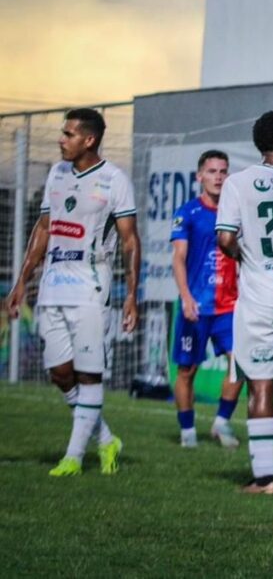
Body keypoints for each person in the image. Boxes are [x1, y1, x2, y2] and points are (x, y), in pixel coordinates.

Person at [5, 108, 138, 476]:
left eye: (68, 134)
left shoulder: (114, 179)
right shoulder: (57, 173)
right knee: (60, 373)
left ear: (89, 140)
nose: (62, 140)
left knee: (89, 373)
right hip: (52, 286)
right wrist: (22, 281)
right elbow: (44, 229)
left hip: (92, 286)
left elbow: (130, 241)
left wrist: (130, 295)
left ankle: (74, 458)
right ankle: (106, 437)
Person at [215, 110, 273, 494]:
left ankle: (264, 477)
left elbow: (225, 240)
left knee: (261, 385)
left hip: (260, 295)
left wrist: (247, 257)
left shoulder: (238, 183)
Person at [169, 150, 243, 448]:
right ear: (200, 176)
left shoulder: (236, 212)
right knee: (187, 370)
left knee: (240, 365)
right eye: (212, 171)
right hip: (196, 305)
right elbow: (178, 257)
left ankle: (221, 424)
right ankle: (187, 432)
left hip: (230, 306)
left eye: (223, 171)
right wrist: (186, 296)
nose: (218, 177)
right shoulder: (188, 213)